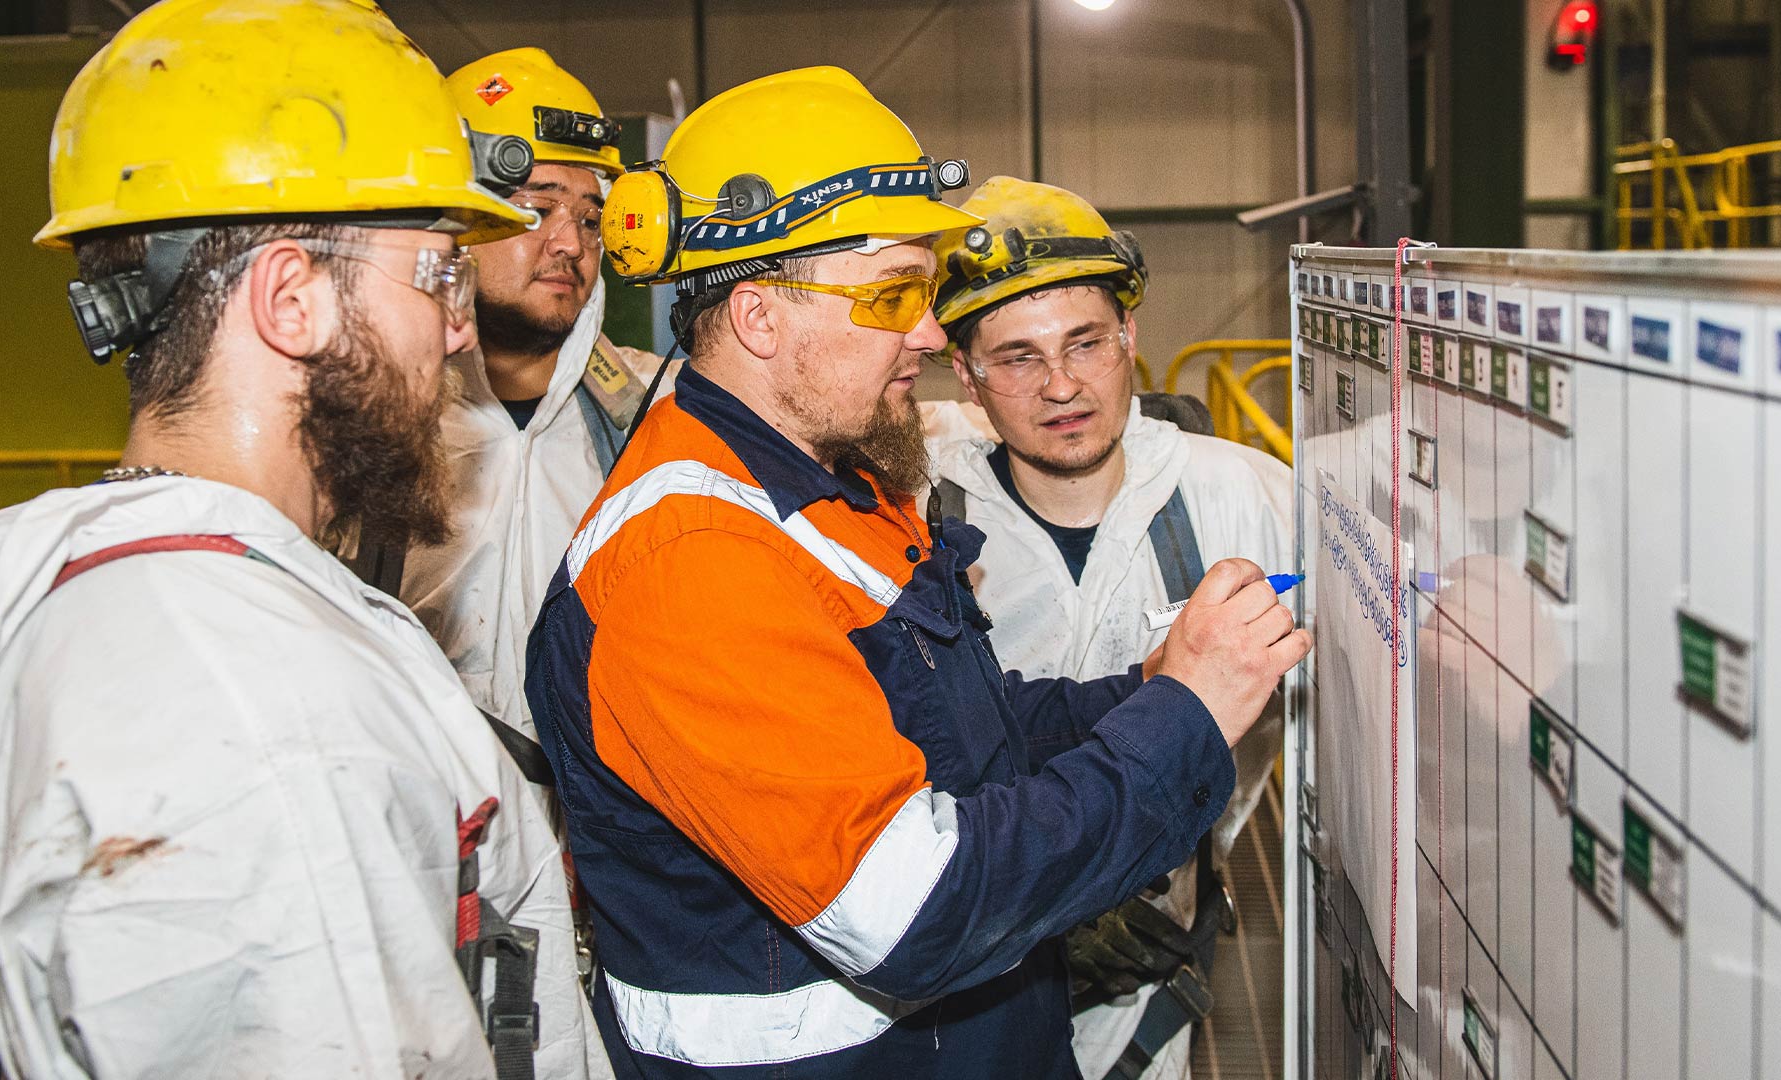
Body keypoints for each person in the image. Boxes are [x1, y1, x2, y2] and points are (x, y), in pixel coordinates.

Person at [525, 66, 1309, 1079]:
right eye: (895, 295)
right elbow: (918, 910)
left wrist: (1155, 685)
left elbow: (961, 733)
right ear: (761, 320)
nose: (932, 335)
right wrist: (1184, 723)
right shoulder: (690, 566)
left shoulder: (836, 482)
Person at [0, 3, 609, 1077]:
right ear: (292, 301)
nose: (455, 328)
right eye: (438, 275)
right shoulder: (270, 728)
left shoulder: (107, 597)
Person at [926, 176, 1291, 1080]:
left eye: (1085, 342)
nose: (1061, 385)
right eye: (1016, 357)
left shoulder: (1243, 497)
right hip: (966, 974)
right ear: (966, 374)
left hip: (1145, 980)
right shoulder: (916, 512)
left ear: (1130, 336)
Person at [387, 49, 660, 739]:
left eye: (591, 219)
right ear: (457, 222)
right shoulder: (374, 417)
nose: (570, 242)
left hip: (593, 829)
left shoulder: (652, 410)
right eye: (537, 210)